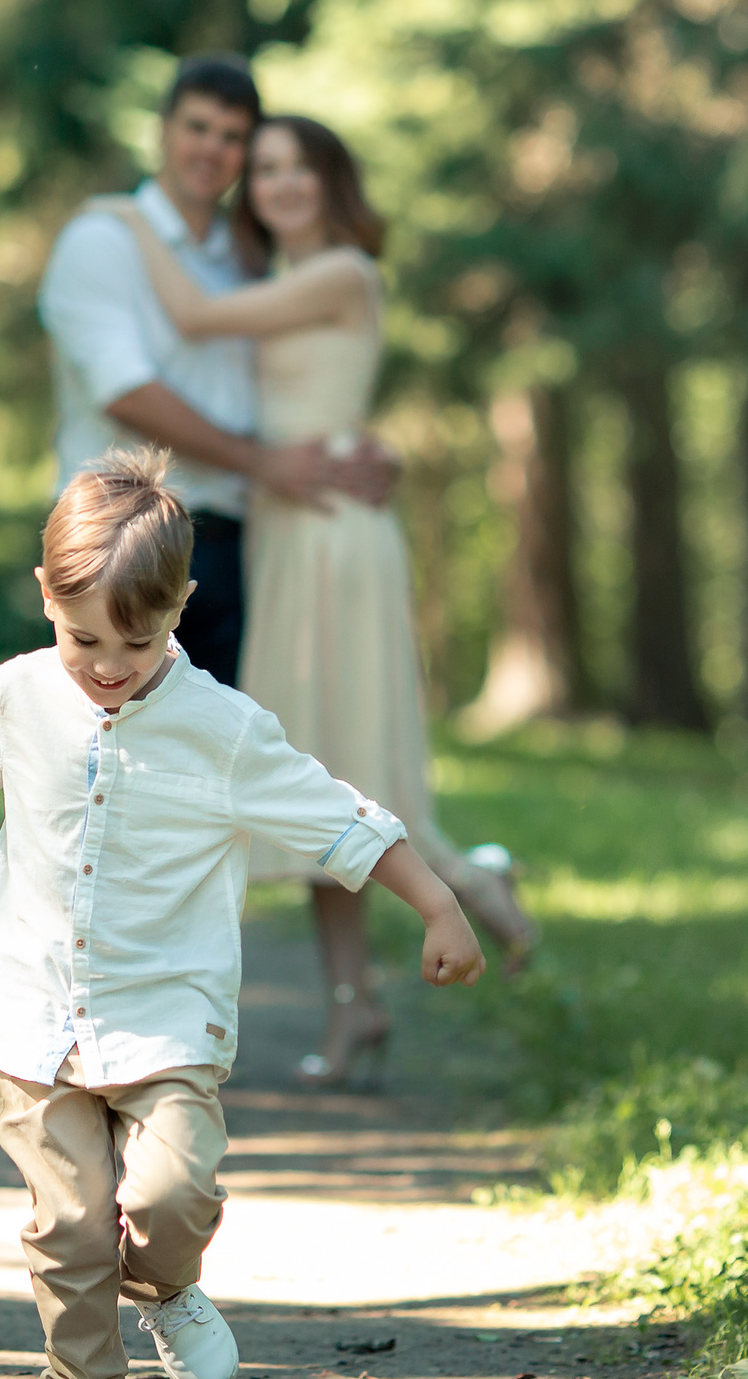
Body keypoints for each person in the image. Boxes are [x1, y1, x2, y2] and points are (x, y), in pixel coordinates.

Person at [0, 450, 486, 1379]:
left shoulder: (222, 729)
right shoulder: (27, 694)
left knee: (169, 1197)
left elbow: (340, 819)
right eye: (84, 637)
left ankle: (166, 1284)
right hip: (33, 1012)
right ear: (46, 599)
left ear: (182, 607)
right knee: (65, 1224)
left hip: (166, 1017)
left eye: (141, 635)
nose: (109, 662)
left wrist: (437, 903)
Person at [92, 116, 537, 1091]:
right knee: (310, 788)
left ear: (333, 180)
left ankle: (467, 881)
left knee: (352, 768)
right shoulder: (275, 286)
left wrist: (133, 217)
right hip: (289, 531)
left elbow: (198, 324)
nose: (278, 184)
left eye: (297, 167)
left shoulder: (343, 272)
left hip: (334, 534)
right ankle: (357, 1010)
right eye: (264, 170)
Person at [37, 53, 391, 688]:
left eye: (232, 138)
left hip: (232, 545)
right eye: (197, 127)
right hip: (118, 542)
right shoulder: (103, 240)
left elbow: (299, 380)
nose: (212, 149)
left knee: (212, 770)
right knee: (105, 758)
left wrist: (359, 446)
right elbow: (127, 393)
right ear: (163, 131)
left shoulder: (249, 262)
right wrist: (261, 462)